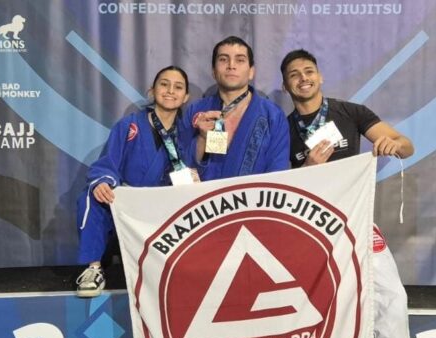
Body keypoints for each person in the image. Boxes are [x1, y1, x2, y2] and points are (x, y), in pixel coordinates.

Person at [280, 49, 418, 338]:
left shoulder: (351, 113)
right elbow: (278, 187)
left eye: (308, 71)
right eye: (294, 74)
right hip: (308, 230)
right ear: (285, 85)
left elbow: (407, 146)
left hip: (355, 220)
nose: (303, 78)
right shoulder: (283, 129)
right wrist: (307, 169)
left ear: (320, 76)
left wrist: (392, 143)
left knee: (392, 296)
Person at [75, 66, 196, 297]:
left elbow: (195, 169)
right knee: (91, 194)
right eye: (164, 84)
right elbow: (107, 163)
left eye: (178, 87)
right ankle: (93, 268)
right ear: (152, 91)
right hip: (128, 204)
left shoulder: (187, 132)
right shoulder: (129, 125)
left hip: (164, 207)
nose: (170, 91)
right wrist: (102, 182)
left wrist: (193, 177)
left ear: (185, 97)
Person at [182, 36, 289, 179]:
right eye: (223, 59)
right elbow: (181, 169)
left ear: (251, 72)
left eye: (240, 60)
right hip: (205, 193)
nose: (231, 65)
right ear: (213, 71)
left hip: (254, 193)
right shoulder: (196, 111)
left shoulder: (273, 115)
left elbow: (278, 173)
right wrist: (201, 140)